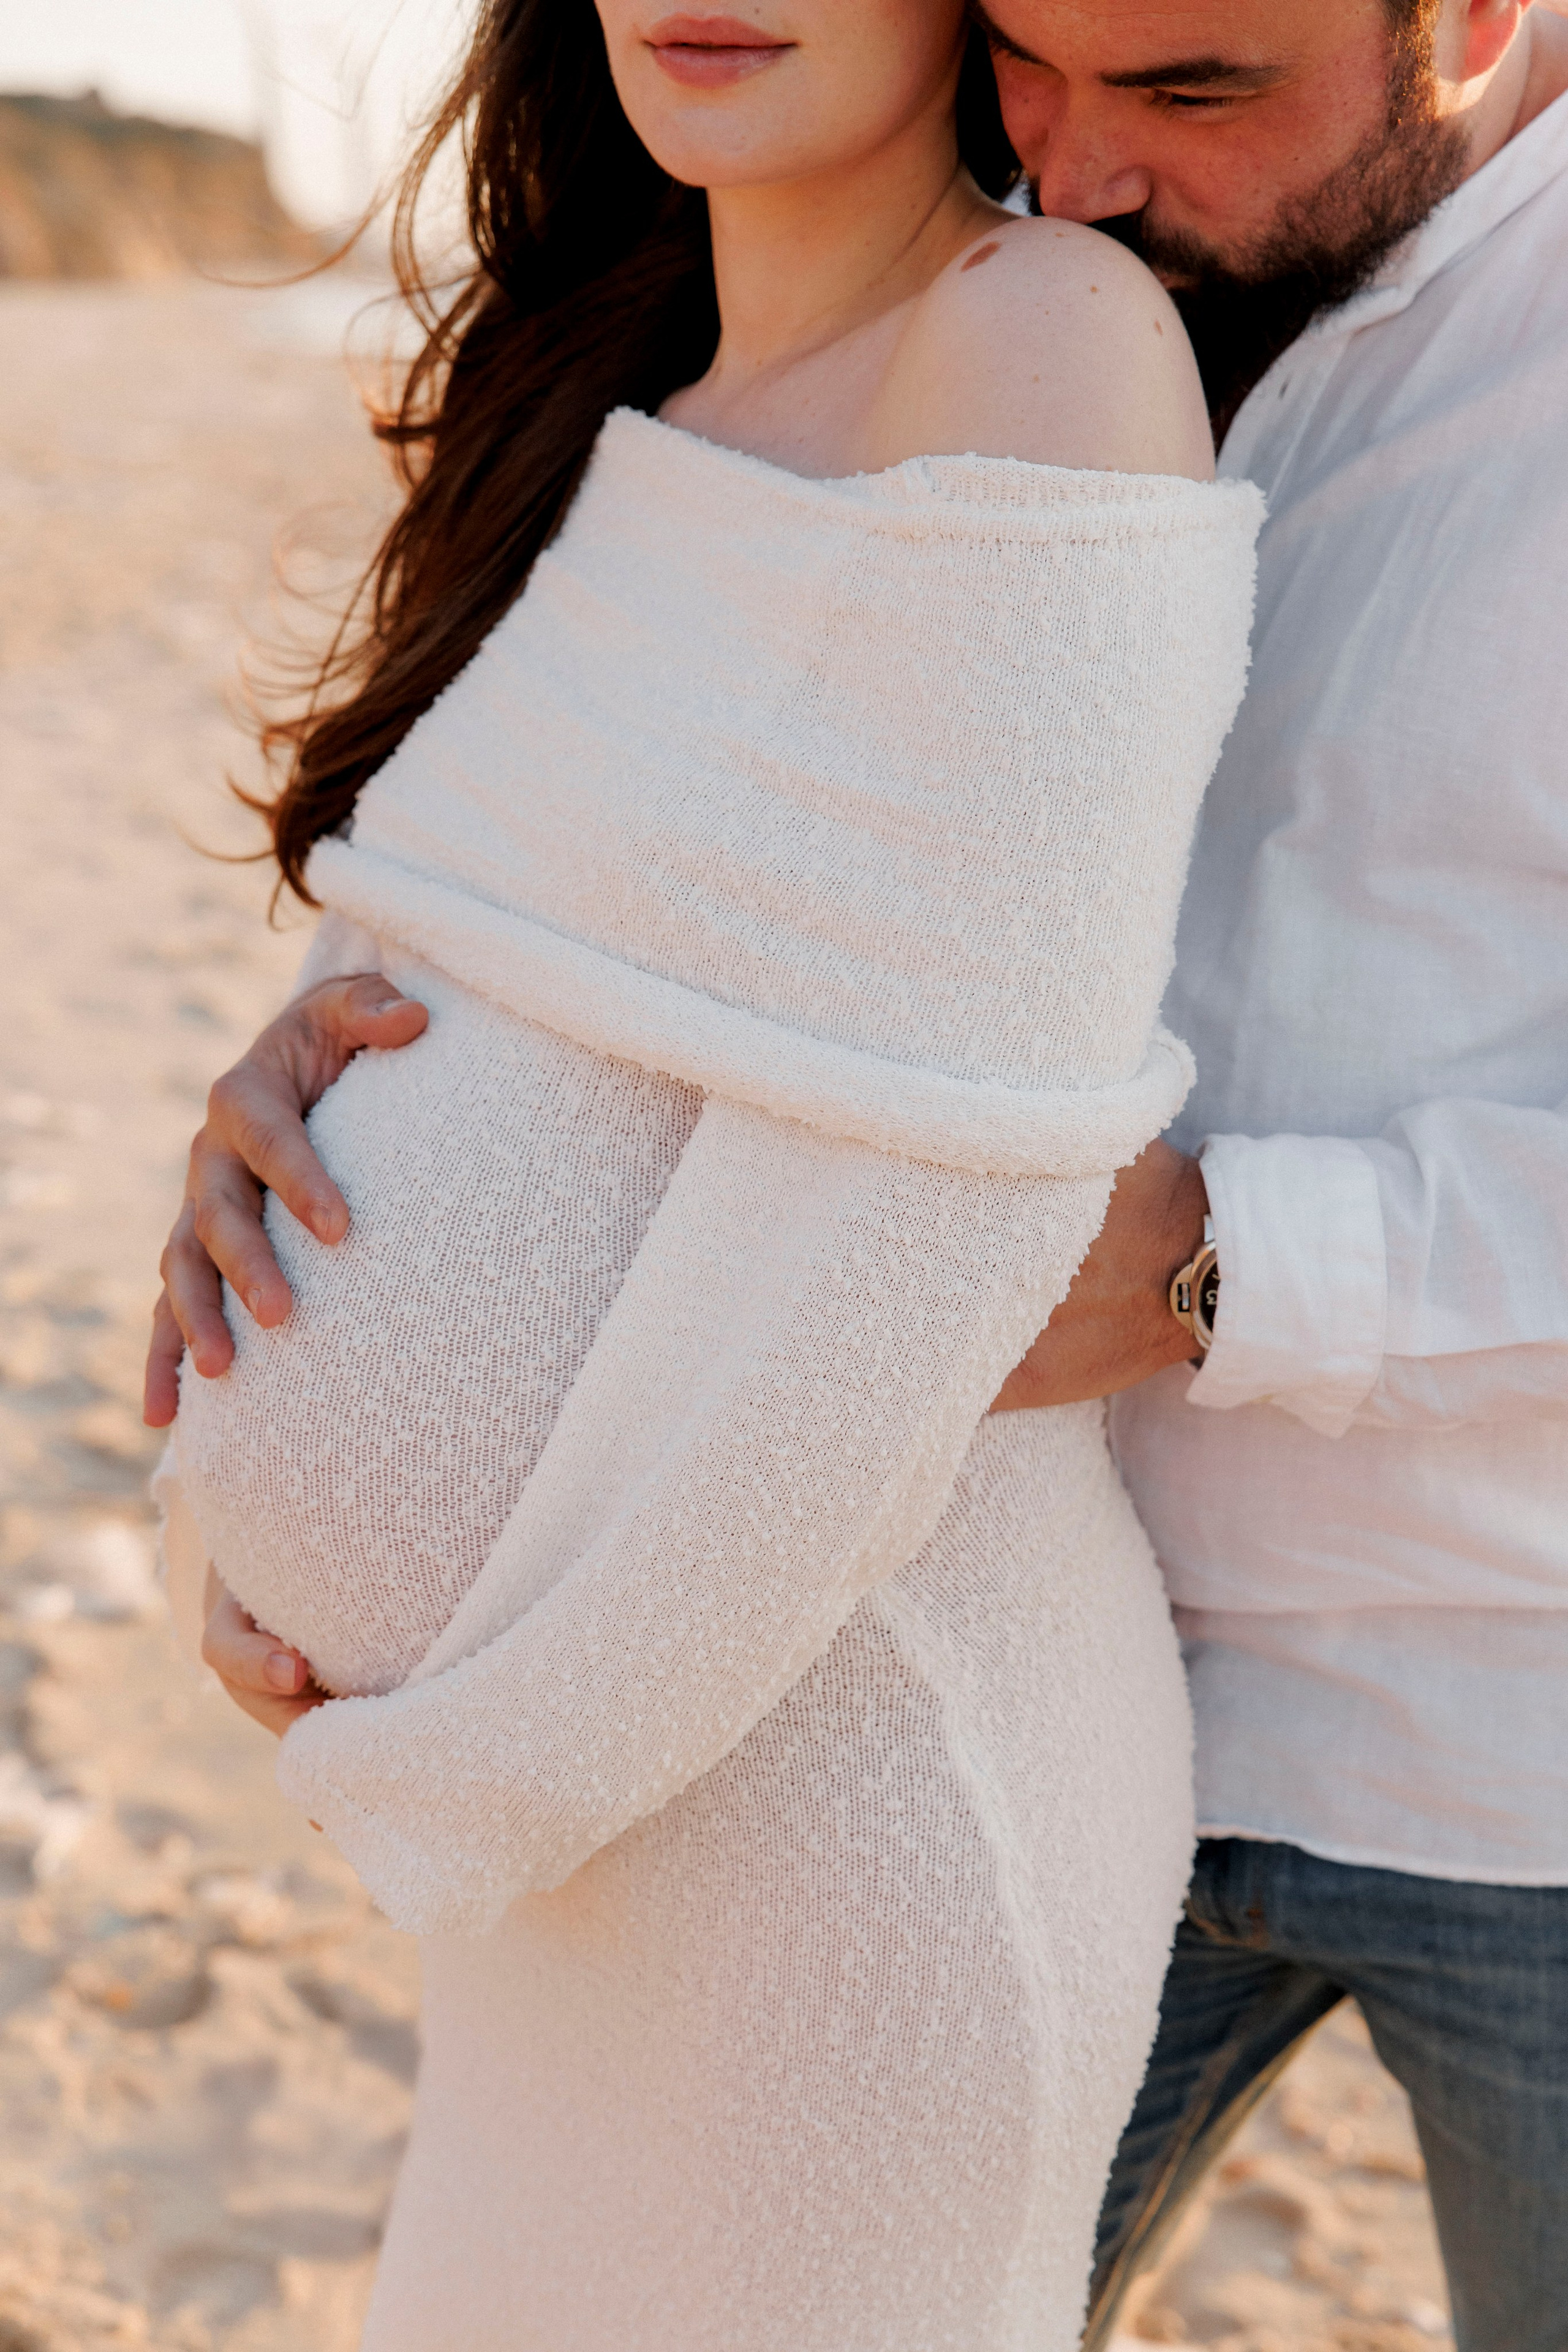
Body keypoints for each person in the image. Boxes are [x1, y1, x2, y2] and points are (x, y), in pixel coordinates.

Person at [150, 0, 1568, 2342]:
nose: (1085, 171)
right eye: (1035, 59)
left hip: (1497, 1749)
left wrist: (1247, 1262)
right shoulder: (930, 313)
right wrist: (341, 1088)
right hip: (937, 1639)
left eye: (1191, 93)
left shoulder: (1077, 329)